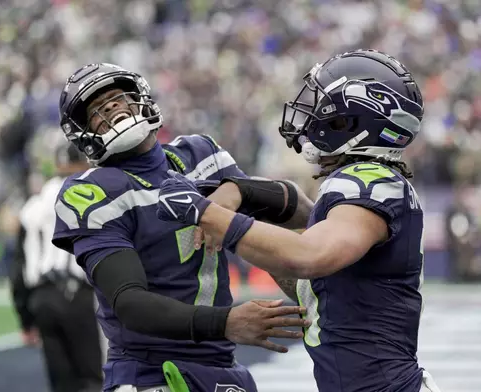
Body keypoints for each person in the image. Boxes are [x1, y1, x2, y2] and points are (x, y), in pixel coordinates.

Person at [156, 49, 442, 392]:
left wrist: (204, 212)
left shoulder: (369, 181)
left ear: (351, 120)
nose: (310, 113)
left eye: (323, 106)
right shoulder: (371, 182)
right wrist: (245, 206)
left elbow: (309, 256)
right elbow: (320, 289)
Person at [51, 63, 313, 392]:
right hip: (151, 374)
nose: (111, 108)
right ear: (84, 134)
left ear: (142, 98)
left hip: (221, 366)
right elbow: (130, 303)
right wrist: (228, 322)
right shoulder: (93, 191)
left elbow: (302, 215)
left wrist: (239, 190)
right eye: (96, 110)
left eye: (118, 97)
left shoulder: (201, 155)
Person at [10, 143, 103, 392]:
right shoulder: (93, 196)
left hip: (43, 298)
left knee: (61, 383)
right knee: (93, 377)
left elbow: (19, 267)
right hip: (81, 295)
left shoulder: (32, 206)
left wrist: (25, 319)